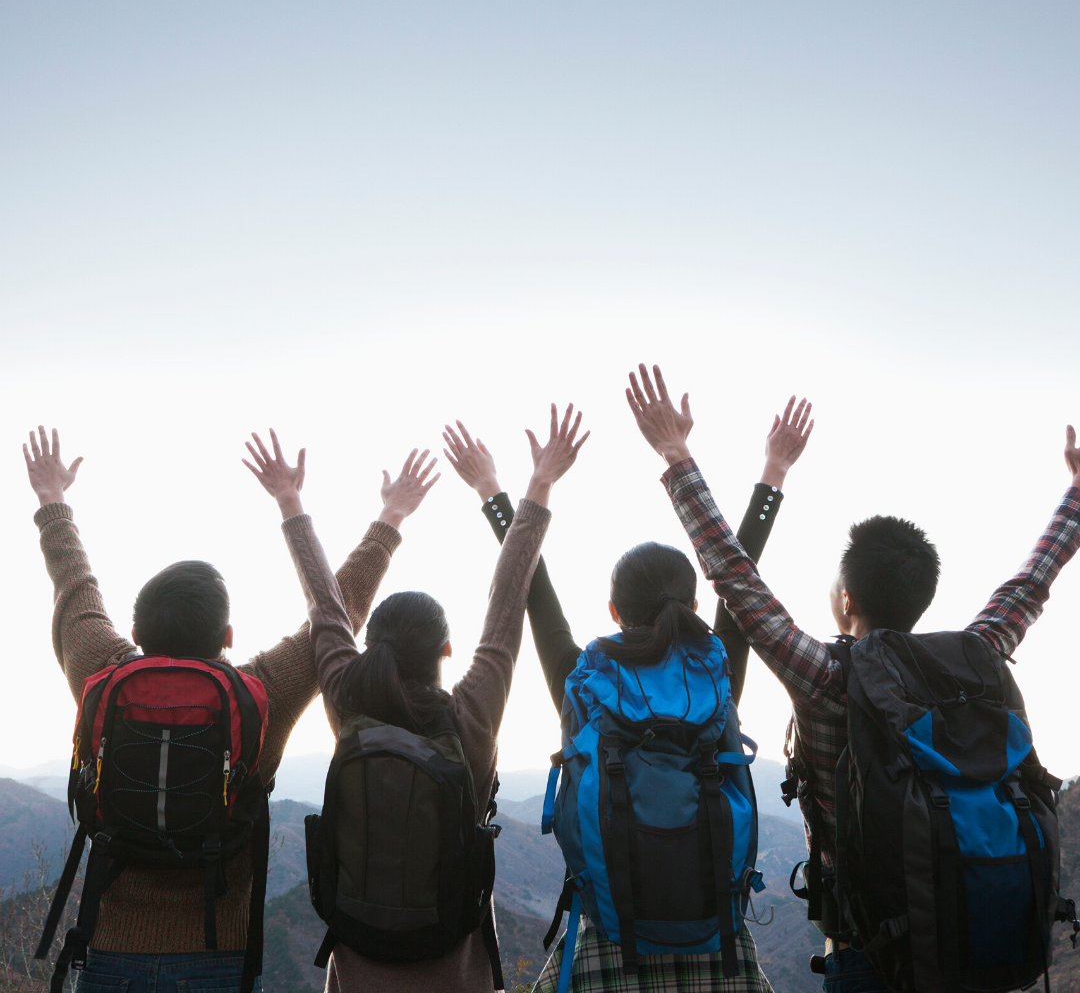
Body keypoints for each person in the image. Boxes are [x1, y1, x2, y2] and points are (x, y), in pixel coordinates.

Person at [624, 363, 1080, 993]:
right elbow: (1030, 585)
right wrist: (1076, 492)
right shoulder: (975, 659)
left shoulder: (830, 679)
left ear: (846, 604)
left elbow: (735, 579)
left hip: (871, 959)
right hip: (976, 948)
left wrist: (676, 455)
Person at [22, 426, 427, 993]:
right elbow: (338, 612)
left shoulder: (102, 677)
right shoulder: (259, 694)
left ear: (136, 632)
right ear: (228, 635)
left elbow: (74, 588)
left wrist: (52, 501)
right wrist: (389, 519)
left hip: (112, 951)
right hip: (219, 956)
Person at [441, 399, 813, 993]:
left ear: (613, 612)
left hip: (608, 951)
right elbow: (740, 576)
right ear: (694, 609)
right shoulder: (713, 676)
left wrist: (503, 489)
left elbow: (531, 587)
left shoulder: (585, 682)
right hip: (720, 949)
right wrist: (773, 472)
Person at [311, 403, 588, 993]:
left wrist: (299, 506)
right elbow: (508, 597)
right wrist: (534, 486)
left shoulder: (347, 710)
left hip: (356, 973)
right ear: (446, 650)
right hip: (455, 974)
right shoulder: (469, 722)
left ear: (371, 646)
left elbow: (325, 607)